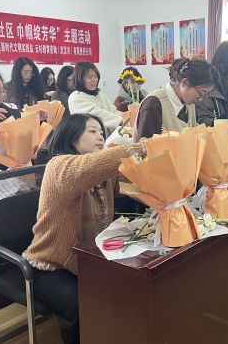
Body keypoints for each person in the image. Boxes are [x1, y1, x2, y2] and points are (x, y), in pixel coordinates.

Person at [23, 114, 145, 343]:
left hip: (90, 261)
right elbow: (94, 166)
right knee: (86, 306)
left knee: (130, 291)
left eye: (101, 132)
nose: (100, 136)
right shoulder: (59, 166)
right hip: (51, 265)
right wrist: (142, 147)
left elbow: (134, 183)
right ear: (71, 136)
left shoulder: (102, 173)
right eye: (92, 131)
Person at [134, 58, 218, 140]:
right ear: (185, 83)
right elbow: (147, 145)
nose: (200, 99)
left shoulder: (188, 103)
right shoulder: (153, 103)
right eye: (201, 93)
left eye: (205, 95)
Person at [68, 62, 122, 133]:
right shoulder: (76, 97)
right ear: (80, 78)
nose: (94, 80)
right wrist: (122, 120)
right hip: (88, 138)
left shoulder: (99, 95)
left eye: (96, 76)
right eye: (89, 77)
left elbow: (112, 110)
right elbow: (97, 115)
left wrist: (126, 117)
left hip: (106, 137)